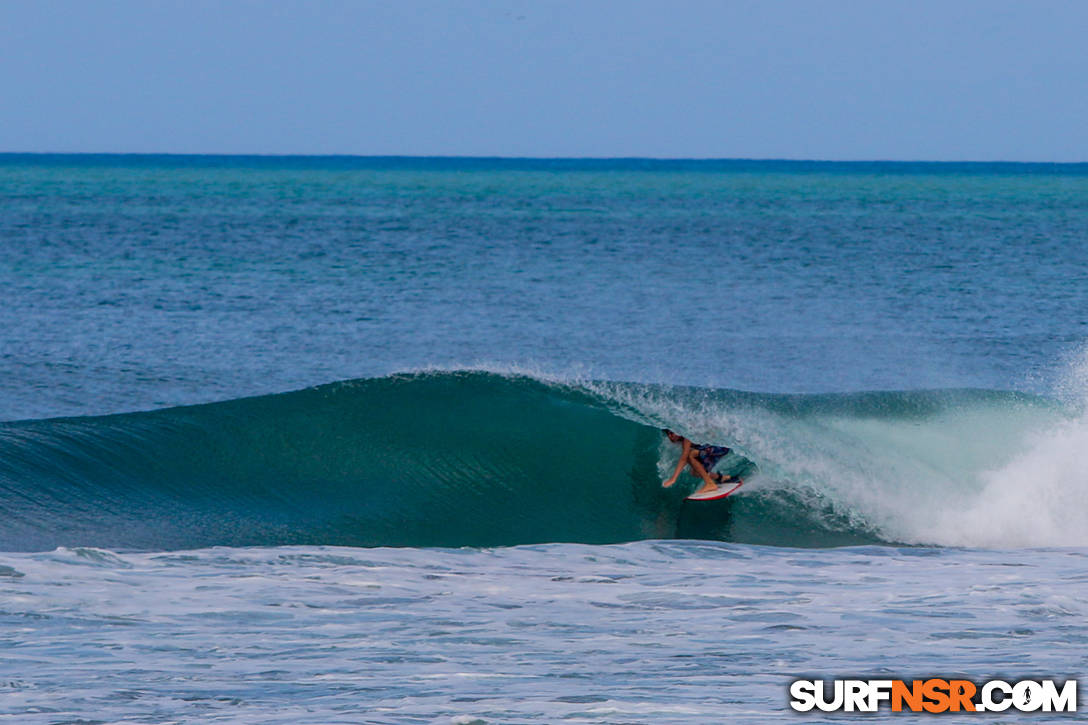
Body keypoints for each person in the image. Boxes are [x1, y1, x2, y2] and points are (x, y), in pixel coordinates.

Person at [661, 428, 734, 495]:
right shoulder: (682, 441)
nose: (670, 436)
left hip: (720, 447)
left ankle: (710, 484)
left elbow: (684, 458)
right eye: (668, 434)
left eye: (671, 433)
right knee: (695, 472)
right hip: (711, 450)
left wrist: (673, 479)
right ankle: (721, 478)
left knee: (691, 454)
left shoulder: (687, 436)